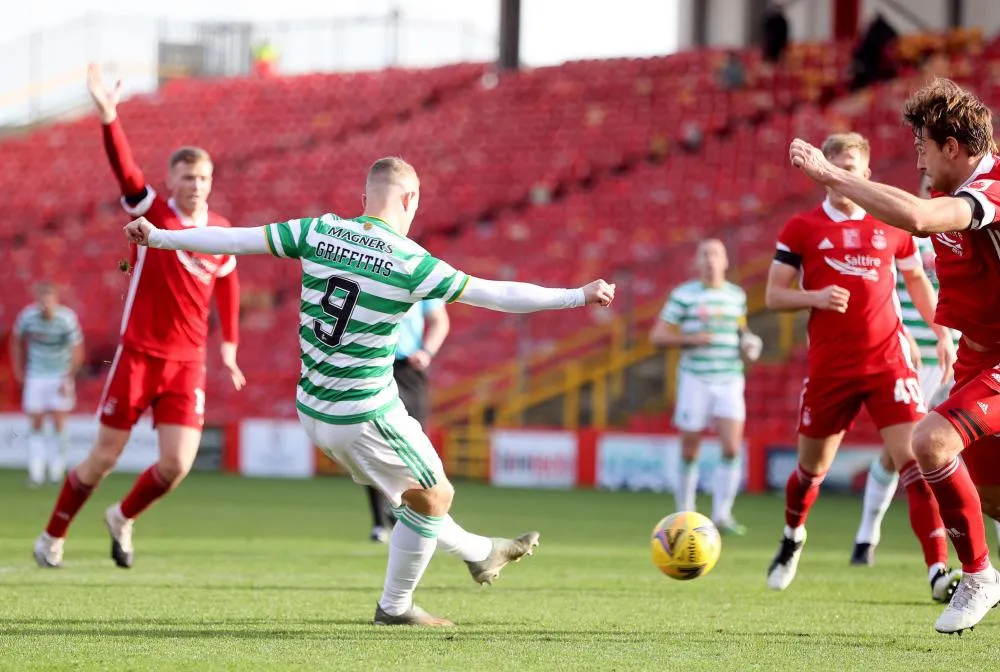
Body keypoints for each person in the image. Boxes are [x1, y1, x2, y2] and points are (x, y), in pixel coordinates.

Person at [123, 156, 616, 626]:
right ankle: (396, 606)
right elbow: (497, 293)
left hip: (313, 408)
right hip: (362, 412)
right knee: (436, 494)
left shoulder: (318, 231)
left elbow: (240, 239)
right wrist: (577, 295)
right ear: (411, 199)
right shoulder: (410, 262)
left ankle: (482, 553)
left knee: (413, 501)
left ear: (365, 196)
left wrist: (162, 235)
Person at [788, 79, 1000, 634]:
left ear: (953, 147)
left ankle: (978, 575)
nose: (920, 161)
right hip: (979, 360)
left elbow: (921, 222)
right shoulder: (944, 194)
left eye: (923, 148)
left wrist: (835, 176)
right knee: (989, 496)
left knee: (928, 441)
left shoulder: (992, 186)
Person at [32, 65, 245, 570]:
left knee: (176, 465)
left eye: (204, 177)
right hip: (139, 356)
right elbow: (125, 171)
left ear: (212, 181)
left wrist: (230, 346)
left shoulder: (219, 231)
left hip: (186, 363)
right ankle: (52, 537)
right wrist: (109, 116)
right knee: (103, 458)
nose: (196, 184)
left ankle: (123, 517)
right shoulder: (154, 213)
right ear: (171, 179)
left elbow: (230, 284)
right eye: (188, 176)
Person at [765, 132, 959, 604]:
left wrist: (939, 332)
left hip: (888, 362)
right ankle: (793, 536)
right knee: (812, 471)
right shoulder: (801, 228)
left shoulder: (889, 223)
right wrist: (814, 297)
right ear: (822, 170)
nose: (843, 176)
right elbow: (773, 295)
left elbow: (915, 279)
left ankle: (937, 568)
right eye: (835, 167)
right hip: (831, 368)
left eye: (852, 168)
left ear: (865, 174)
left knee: (915, 459)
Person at [850, 231, 958, 566]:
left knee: (988, 449)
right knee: (900, 452)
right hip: (918, 357)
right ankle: (867, 536)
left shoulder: (973, 229)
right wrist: (902, 333)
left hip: (965, 354)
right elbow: (884, 289)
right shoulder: (905, 234)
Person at [650, 239, 762, 535]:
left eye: (716, 254)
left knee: (731, 446)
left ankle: (722, 515)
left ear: (725, 261)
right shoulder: (684, 295)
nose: (711, 259)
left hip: (729, 378)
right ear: (697, 262)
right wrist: (689, 340)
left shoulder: (736, 296)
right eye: (705, 254)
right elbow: (658, 336)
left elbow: (741, 330)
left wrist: (748, 343)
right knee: (690, 447)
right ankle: (684, 513)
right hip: (695, 378)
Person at [366, 299, 450, 543]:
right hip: (375, 365)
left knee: (414, 444)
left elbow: (439, 320)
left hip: (408, 369)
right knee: (374, 442)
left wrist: (427, 351)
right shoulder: (372, 265)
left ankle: (406, 513)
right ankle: (380, 521)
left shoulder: (422, 272)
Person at [10, 283, 84, 486]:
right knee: (36, 423)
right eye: (42, 302)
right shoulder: (27, 317)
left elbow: (77, 350)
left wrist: (68, 377)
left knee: (59, 423)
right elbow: (16, 341)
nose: (45, 306)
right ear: (38, 301)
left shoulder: (66, 319)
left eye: (49, 302)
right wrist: (19, 370)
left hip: (60, 375)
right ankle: (36, 472)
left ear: (56, 301)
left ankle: (56, 471)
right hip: (36, 375)